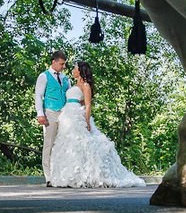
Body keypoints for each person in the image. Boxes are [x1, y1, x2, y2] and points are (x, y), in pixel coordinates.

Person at [49, 61, 146, 188]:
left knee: (82, 143)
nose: (73, 70)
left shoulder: (86, 85)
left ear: (80, 71)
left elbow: (88, 104)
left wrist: (87, 121)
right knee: (69, 144)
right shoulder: (73, 84)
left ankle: (85, 175)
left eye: (75, 68)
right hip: (68, 116)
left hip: (77, 115)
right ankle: (70, 175)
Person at [34, 50, 70, 186]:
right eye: (61, 64)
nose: (63, 67)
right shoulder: (44, 76)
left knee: (62, 144)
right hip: (50, 112)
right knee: (49, 144)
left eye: (64, 64)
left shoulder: (66, 79)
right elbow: (38, 95)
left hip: (65, 114)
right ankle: (48, 177)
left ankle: (61, 174)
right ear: (54, 62)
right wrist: (40, 113)